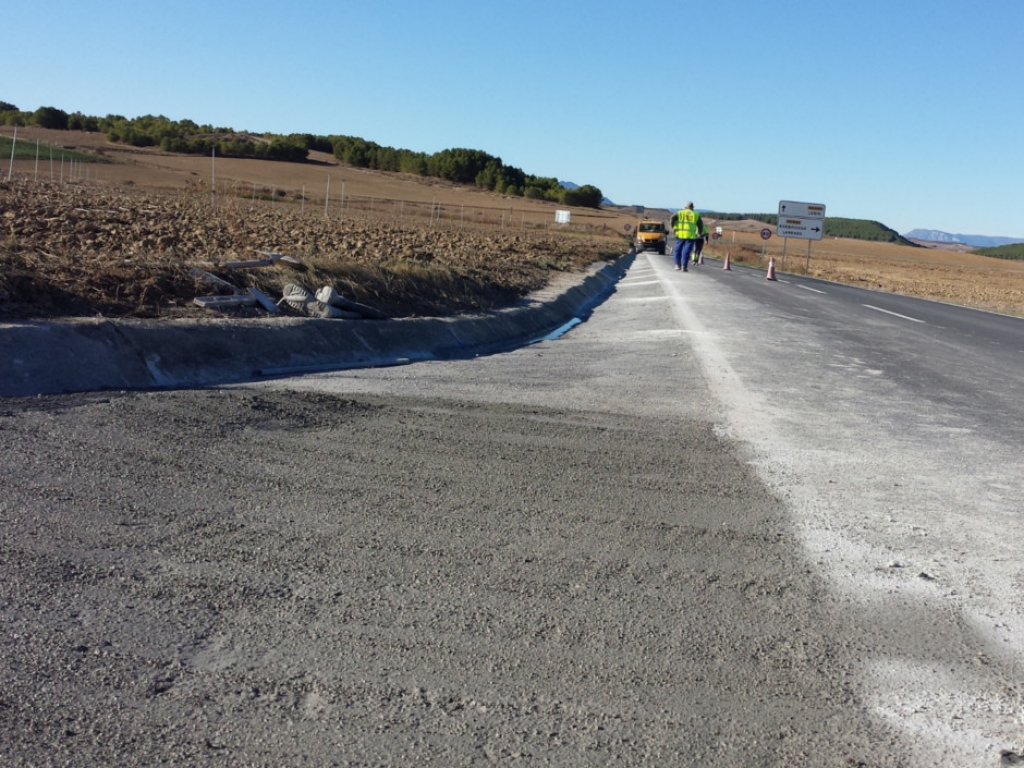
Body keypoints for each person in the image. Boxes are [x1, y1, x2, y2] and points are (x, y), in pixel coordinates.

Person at [671, 202, 703, 271]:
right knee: (686, 252)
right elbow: (700, 225)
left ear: (685, 207)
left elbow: (672, 218)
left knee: (677, 250)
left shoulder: (680, 213)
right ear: (692, 207)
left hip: (680, 235)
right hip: (690, 237)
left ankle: (677, 265)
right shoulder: (695, 214)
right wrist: (699, 232)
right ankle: (684, 266)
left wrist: (673, 227)